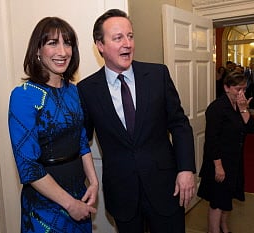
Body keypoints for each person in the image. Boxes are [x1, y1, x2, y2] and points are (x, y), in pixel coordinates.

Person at [77, 9, 196, 233]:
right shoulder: (87, 90)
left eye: (130, 36)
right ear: (100, 45)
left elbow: (180, 125)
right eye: (118, 37)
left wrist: (186, 169)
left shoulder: (157, 75)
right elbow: (81, 140)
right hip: (122, 194)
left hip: (166, 188)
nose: (127, 44)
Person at [8, 17, 98, 233]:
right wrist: (69, 204)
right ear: (37, 50)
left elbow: (82, 141)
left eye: (67, 43)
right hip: (45, 207)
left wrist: (94, 183)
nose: (63, 51)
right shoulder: (23, 96)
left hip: (79, 195)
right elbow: (28, 167)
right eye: (52, 43)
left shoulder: (73, 91)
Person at [197, 71, 254, 233]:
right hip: (219, 162)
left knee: (227, 198)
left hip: (234, 161)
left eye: (244, 89)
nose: (242, 93)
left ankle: (224, 227)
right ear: (226, 88)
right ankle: (213, 230)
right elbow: (211, 141)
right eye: (238, 89)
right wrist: (218, 166)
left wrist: (244, 109)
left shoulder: (239, 106)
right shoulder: (216, 108)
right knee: (217, 202)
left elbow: (253, 129)